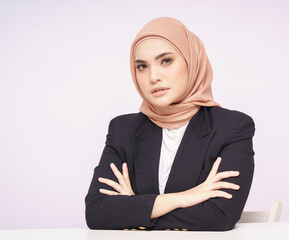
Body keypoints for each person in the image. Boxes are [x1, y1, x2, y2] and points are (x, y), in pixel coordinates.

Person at [85, 17, 255, 231]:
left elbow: (220, 216)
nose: (153, 76)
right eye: (142, 66)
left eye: (165, 60)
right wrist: (185, 198)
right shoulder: (123, 130)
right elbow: (97, 213)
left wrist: (135, 209)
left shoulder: (231, 127)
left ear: (191, 61)